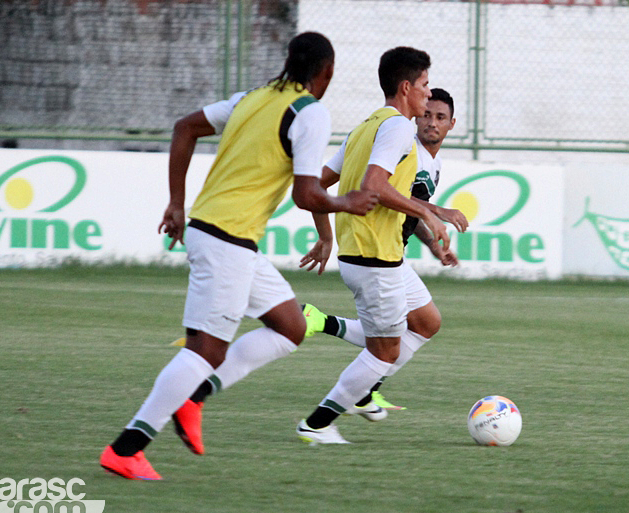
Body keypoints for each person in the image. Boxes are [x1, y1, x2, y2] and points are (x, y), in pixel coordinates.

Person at [99, 32, 379, 480]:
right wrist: (348, 202)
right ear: (325, 73)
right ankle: (127, 448)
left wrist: (176, 203)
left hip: (225, 236)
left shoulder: (252, 98)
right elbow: (307, 193)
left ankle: (194, 398)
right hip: (226, 240)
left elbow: (184, 126)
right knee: (204, 352)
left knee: (291, 327)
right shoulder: (311, 113)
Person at [295, 47, 461, 445]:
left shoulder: (364, 127)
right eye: (423, 86)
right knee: (383, 351)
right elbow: (374, 187)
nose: (426, 96)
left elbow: (315, 184)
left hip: (381, 255)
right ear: (406, 87)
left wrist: (325, 234)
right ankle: (317, 424)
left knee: (425, 323)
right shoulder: (399, 127)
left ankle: (361, 388)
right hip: (374, 257)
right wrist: (431, 212)